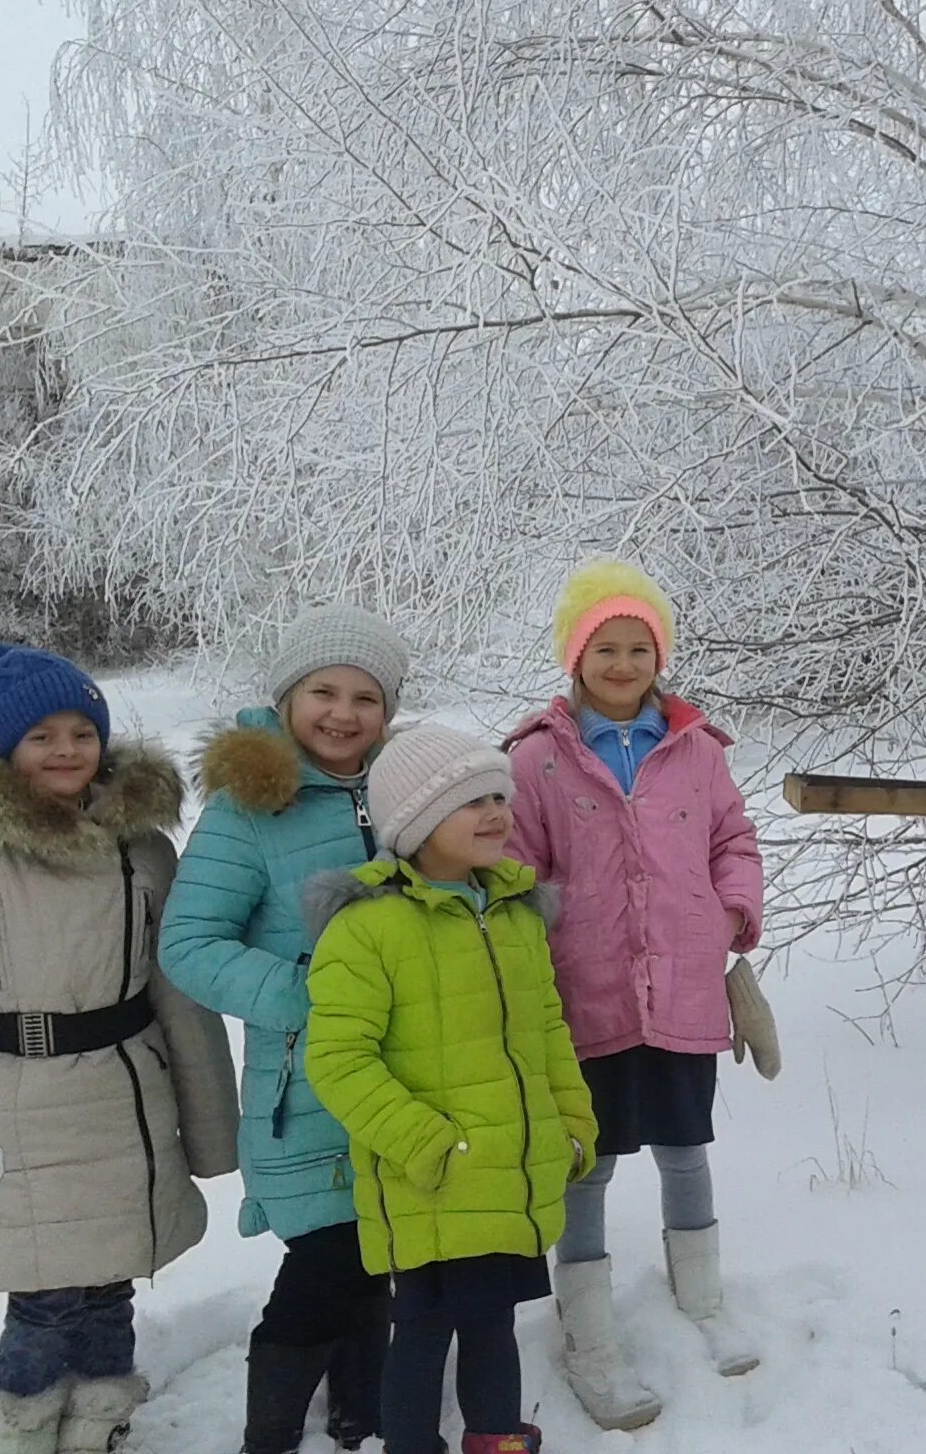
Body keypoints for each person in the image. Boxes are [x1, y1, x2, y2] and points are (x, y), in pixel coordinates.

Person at [0, 644, 237, 1454]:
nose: (66, 750)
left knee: (111, 1285)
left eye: (80, 731)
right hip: (21, 1113)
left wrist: (211, 1131)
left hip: (129, 1103)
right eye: (40, 737)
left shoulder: (144, 851)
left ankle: (100, 1423)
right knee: (43, 1297)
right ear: (2, 750)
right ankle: (21, 1431)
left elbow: (182, 1000)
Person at [503, 559, 767, 1429]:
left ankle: (703, 1300)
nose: (622, 664)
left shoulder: (695, 751)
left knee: (686, 1146)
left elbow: (735, 840)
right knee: (591, 1158)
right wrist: (538, 948)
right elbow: (518, 870)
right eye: (604, 648)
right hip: (587, 996)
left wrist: (732, 910)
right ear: (574, 660)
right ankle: (589, 1327)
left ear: (660, 658)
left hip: (685, 987)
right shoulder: (537, 759)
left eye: (638, 648)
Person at [302, 724, 597, 1454]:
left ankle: (497, 1440)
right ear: (415, 822)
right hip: (429, 1180)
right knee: (425, 1329)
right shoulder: (368, 928)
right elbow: (339, 1060)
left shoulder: (515, 915)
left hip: (509, 1172)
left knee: (493, 1319)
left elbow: (548, 1032)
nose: (497, 812)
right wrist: (427, 1145)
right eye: (473, 801)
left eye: (500, 795)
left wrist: (573, 1126)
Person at [160, 603, 412, 1454]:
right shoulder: (249, 810)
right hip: (305, 1079)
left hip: (409, 1067)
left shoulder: (408, 786)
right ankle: (267, 1435)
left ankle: (360, 1414)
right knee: (325, 1257)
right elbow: (191, 943)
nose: (343, 714)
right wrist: (316, 993)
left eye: (366, 698)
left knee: (384, 1241)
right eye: (324, 692)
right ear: (288, 696)